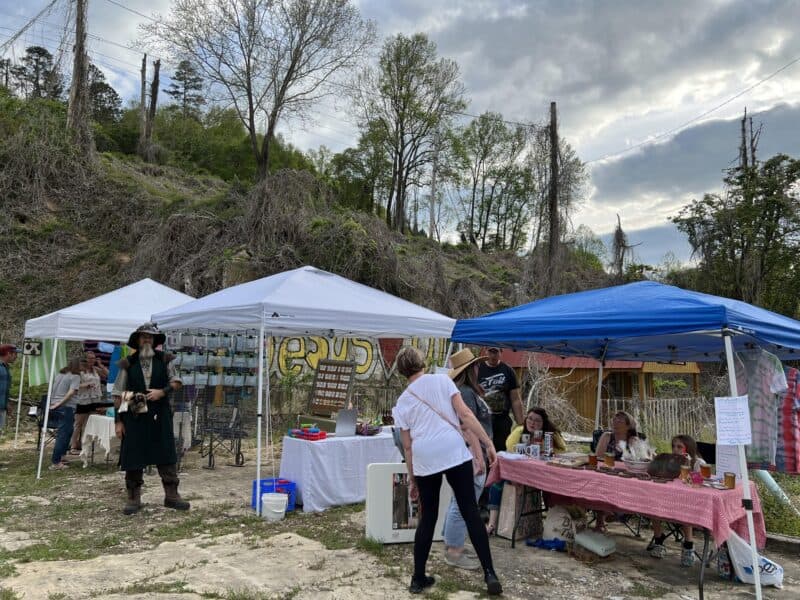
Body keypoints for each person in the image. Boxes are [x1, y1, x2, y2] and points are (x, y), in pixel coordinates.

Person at [392, 346, 502, 596]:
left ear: (401, 371)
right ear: (422, 362)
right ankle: (490, 573)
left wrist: (412, 478)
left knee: (427, 517)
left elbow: (407, 446)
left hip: (424, 457)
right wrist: (488, 443)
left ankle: (417, 578)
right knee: (470, 512)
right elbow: (465, 415)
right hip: (452, 450)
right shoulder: (443, 381)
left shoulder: (403, 401)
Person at [113, 323, 188, 515]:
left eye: (150, 337)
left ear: (155, 341)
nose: (147, 340)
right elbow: (117, 394)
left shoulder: (166, 359)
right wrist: (118, 421)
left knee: (166, 453)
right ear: (137, 340)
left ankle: (171, 496)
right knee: (134, 456)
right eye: (143, 337)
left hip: (160, 413)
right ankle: (133, 498)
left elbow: (177, 381)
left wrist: (162, 392)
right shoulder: (127, 363)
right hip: (134, 413)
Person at [441, 348, 492, 570]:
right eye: (477, 365)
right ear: (472, 369)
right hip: (471, 454)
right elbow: (467, 427)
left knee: (460, 501)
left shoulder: (463, 391)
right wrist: (479, 457)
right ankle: (454, 550)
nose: (479, 368)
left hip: (465, 454)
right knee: (464, 504)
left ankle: (453, 543)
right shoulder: (466, 393)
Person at [485, 407, 566, 535]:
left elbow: (562, 450)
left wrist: (544, 448)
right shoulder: (519, 431)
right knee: (498, 482)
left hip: (542, 473)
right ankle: (492, 524)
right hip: (519, 471)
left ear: (543, 423)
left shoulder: (550, 434)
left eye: (537, 421)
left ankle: (555, 519)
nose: (532, 423)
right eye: (530, 419)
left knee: (554, 484)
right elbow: (510, 448)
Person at [647, 434, 707, 566]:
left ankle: (688, 544)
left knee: (684, 508)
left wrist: (688, 466)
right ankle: (658, 539)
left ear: (688, 448)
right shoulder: (672, 460)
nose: (675, 449)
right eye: (674, 446)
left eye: (680, 447)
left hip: (690, 501)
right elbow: (660, 474)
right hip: (669, 497)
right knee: (653, 503)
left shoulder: (698, 462)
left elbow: (699, 483)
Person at [593, 410, 650, 532]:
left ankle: (616, 512)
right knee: (600, 481)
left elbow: (641, 461)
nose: (615, 422)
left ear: (629, 425)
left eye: (620, 420)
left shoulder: (633, 440)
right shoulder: (607, 436)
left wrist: (634, 447)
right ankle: (602, 518)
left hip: (626, 475)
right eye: (614, 419)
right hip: (607, 472)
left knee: (623, 485)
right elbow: (598, 457)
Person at [477, 347, 523, 452]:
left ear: (501, 352)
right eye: (490, 351)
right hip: (483, 419)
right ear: (485, 351)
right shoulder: (477, 369)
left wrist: (521, 424)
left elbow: (515, 399)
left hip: (502, 420)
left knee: (500, 451)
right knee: (483, 450)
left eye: (496, 352)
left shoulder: (508, 370)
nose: (493, 355)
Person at [48, 359, 82, 470]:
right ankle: (56, 462)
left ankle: (62, 456)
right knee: (63, 434)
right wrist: (60, 403)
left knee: (68, 431)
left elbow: (53, 388)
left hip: (55, 405)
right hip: (65, 407)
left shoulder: (61, 374)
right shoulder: (76, 376)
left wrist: (53, 402)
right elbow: (71, 392)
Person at [69, 352, 107, 454]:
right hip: (83, 399)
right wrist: (86, 385)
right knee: (78, 424)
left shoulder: (95, 370)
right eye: (90, 359)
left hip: (95, 399)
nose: (92, 360)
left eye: (93, 359)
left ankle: (85, 444)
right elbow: (74, 385)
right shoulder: (79, 370)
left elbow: (107, 374)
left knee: (90, 423)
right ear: (85, 359)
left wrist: (100, 365)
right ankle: (73, 446)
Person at [0, 344, 18, 435]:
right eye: (15, 354)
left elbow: (4, 389)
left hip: (2, 407)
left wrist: (6, 403)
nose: (16, 357)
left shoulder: (5, 367)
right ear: (8, 353)